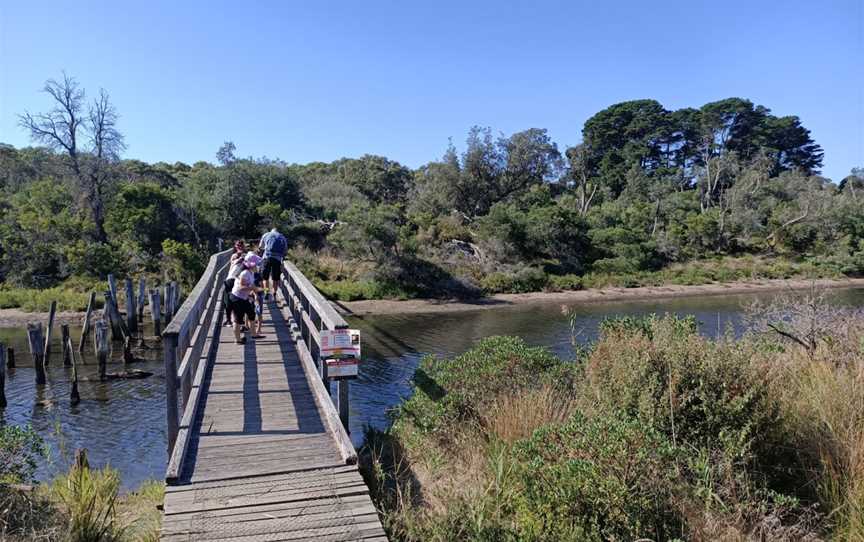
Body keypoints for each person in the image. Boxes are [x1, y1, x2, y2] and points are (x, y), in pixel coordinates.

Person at [228, 253, 262, 344]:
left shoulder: (250, 273)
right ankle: (238, 340)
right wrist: (253, 289)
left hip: (243, 298)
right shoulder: (245, 273)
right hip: (237, 298)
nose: (258, 266)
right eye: (256, 264)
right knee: (238, 320)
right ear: (251, 265)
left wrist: (255, 294)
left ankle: (254, 334)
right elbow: (241, 287)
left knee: (251, 314)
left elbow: (251, 285)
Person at [260, 227, 288, 302]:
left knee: (265, 277)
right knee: (275, 278)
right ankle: (274, 293)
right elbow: (285, 250)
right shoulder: (282, 237)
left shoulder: (266, 235)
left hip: (267, 258)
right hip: (277, 259)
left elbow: (261, 247)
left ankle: (266, 292)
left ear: (271, 230)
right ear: (278, 231)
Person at [223, 240, 247, 327]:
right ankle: (231, 320)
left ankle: (236, 320)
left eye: (241, 245)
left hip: (237, 280)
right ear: (235, 246)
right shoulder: (235, 255)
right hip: (231, 279)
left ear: (243, 246)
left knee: (233, 300)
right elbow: (232, 263)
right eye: (238, 245)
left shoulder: (245, 256)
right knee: (230, 300)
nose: (239, 246)